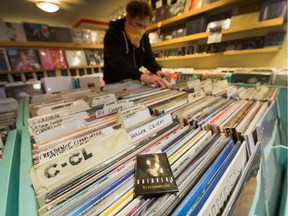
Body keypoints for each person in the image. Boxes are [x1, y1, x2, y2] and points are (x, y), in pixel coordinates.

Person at [103, 0, 171, 87]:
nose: (141, 30)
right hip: (114, 85)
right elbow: (117, 61)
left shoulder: (144, 36)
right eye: (139, 25)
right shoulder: (112, 34)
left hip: (134, 82)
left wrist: (157, 70)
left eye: (145, 26)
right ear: (128, 18)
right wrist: (141, 76)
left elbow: (148, 58)